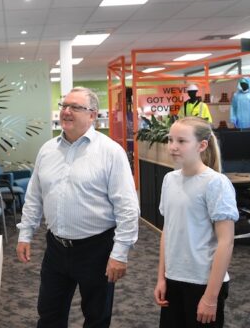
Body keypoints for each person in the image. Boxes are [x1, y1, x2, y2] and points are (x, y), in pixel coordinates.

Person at [16, 87, 139, 328]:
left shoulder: (110, 152)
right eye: (64, 105)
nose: (66, 111)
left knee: (96, 318)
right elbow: (34, 196)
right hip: (56, 247)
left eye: (75, 107)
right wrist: (25, 234)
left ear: (92, 115)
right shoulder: (47, 150)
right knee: (49, 315)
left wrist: (120, 253)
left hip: (97, 249)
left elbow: (127, 207)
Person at [154, 116, 238, 327]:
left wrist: (210, 297)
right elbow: (168, 231)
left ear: (202, 145)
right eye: (170, 139)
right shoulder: (169, 179)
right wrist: (162, 277)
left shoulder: (216, 183)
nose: (173, 146)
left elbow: (226, 242)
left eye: (181, 141)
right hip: (173, 279)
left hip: (203, 283)